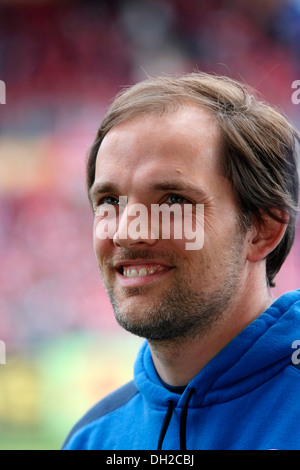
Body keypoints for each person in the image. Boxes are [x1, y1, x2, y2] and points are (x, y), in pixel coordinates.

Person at [62, 72, 300, 450]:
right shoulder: (91, 439)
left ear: (262, 230)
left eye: (173, 200)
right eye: (109, 201)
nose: (126, 232)